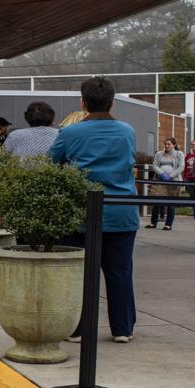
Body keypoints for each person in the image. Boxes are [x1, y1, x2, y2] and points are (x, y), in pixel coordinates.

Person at [49, 77, 139, 343]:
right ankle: (122, 329)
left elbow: (51, 163)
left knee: (79, 275)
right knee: (120, 272)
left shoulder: (69, 133)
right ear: (112, 102)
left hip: (79, 213)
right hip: (122, 212)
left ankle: (77, 328)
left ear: (83, 103)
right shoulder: (127, 131)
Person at [147, 136, 184, 230]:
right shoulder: (159, 154)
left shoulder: (179, 154)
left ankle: (168, 224)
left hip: (173, 181)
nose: (166, 146)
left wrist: (170, 176)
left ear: (174, 145)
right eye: (165, 144)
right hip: (160, 180)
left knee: (170, 203)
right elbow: (154, 165)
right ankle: (153, 222)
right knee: (156, 201)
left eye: (169, 144)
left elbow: (181, 167)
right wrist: (162, 173)